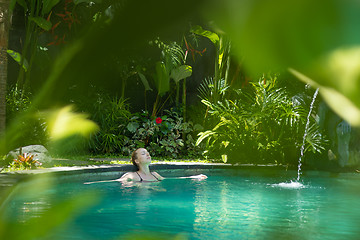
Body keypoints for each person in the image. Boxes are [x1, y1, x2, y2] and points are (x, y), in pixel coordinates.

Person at [84, 148, 207, 184]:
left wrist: (194, 177)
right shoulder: (133, 176)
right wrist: (91, 183)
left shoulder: (155, 175)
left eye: (148, 152)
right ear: (136, 161)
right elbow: (113, 182)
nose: (147, 154)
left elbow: (172, 180)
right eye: (143, 153)